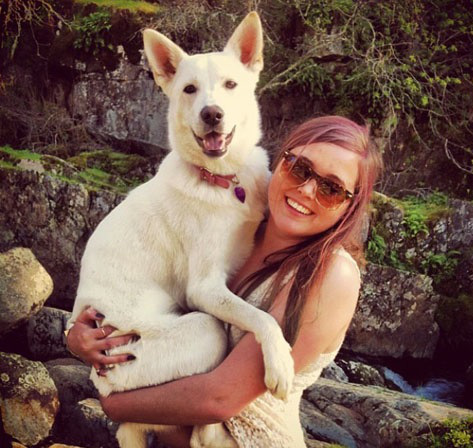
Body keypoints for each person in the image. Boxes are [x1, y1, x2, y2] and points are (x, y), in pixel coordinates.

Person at [67, 115, 382, 448]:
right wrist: (80, 336)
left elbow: (221, 398)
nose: (306, 190)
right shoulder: (233, 220)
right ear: (281, 160)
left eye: (331, 189)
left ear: (349, 207)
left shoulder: (330, 274)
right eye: (300, 168)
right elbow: (137, 284)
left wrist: (114, 404)